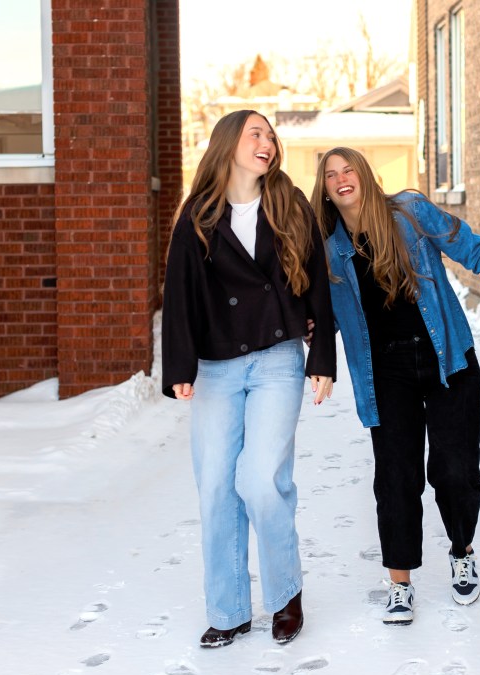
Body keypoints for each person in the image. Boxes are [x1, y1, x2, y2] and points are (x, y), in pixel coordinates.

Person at [311, 147, 480, 625]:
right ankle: (399, 584)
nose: (341, 179)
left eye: (348, 168)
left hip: (446, 357)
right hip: (385, 371)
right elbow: (326, 314)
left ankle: (462, 549)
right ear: (326, 189)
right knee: (396, 478)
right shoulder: (328, 246)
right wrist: (315, 351)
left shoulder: (410, 214)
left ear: (366, 173)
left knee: (455, 468)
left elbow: (468, 244)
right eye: (331, 175)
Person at [161, 110, 335, 648]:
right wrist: (179, 367)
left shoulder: (288, 203)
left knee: (261, 480)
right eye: (255, 132)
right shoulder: (198, 213)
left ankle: (285, 596)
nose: (267, 141)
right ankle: (229, 609)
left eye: (270, 134)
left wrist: (323, 355)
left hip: (277, 359)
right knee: (215, 486)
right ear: (229, 143)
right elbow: (180, 292)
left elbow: (319, 283)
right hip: (215, 366)